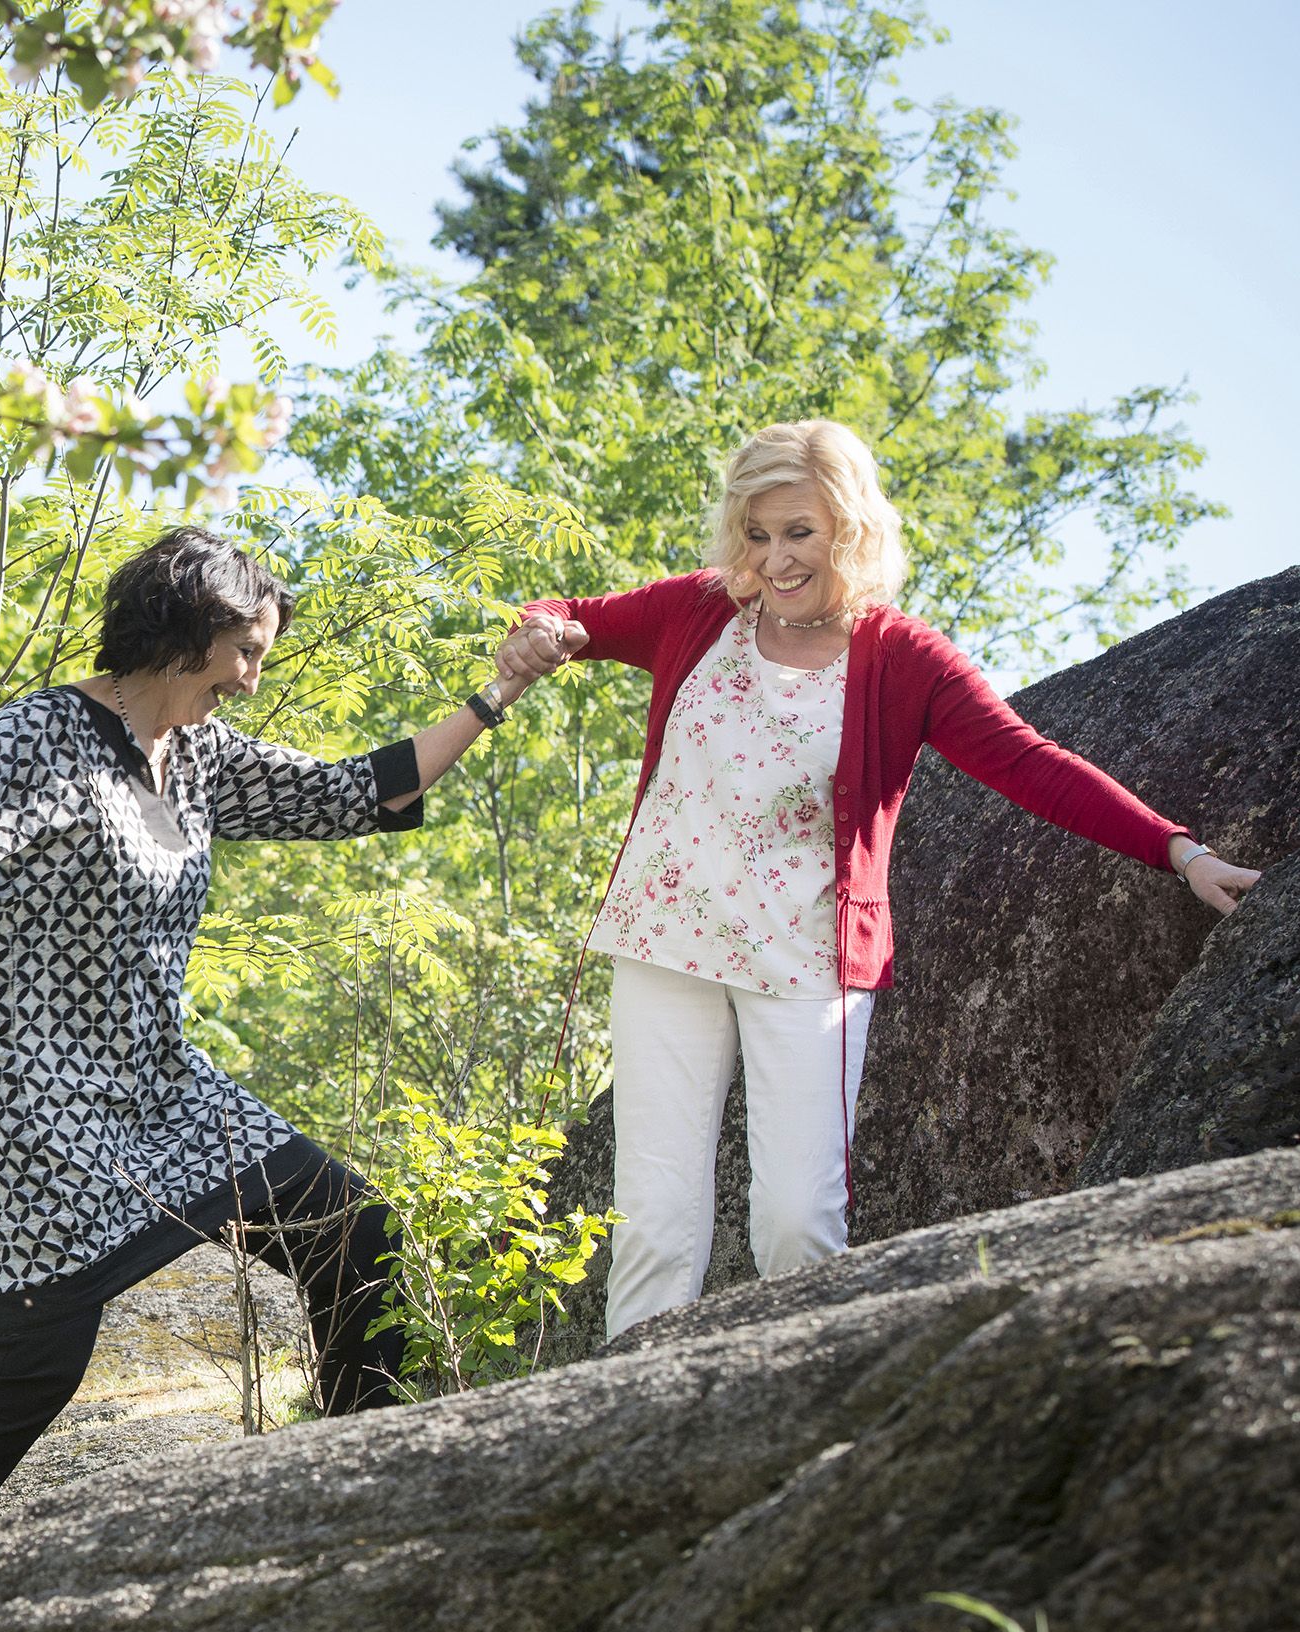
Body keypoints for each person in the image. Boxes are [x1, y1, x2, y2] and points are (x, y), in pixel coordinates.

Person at [0, 524, 552, 1632]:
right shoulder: (51, 730)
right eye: (243, 650)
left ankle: (346, 1496)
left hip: (163, 1090)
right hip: (39, 1108)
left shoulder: (200, 754)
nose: (249, 675)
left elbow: (354, 793)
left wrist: (493, 699)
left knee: (355, 1230)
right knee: (32, 1369)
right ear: (182, 628)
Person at [501, 419, 1261, 1344]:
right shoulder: (696, 612)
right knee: (653, 1223)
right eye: (757, 532)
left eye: (800, 532)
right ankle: (619, 1439)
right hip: (666, 943)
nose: (775, 558)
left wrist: (1180, 852)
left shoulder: (904, 658)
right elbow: (567, 614)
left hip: (808, 964)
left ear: (850, 529)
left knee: (797, 1223)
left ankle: (808, 1416)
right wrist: (538, 632)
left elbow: (1034, 764)